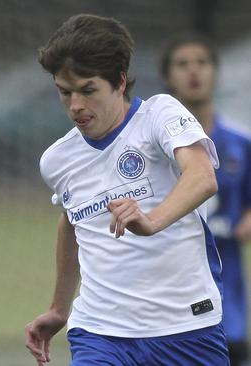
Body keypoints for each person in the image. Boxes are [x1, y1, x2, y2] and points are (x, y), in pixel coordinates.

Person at [24, 14, 230, 365]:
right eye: (64, 92)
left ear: (119, 82)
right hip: (99, 332)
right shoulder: (57, 160)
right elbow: (73, 222)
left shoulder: (158, 115)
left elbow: (201, 175)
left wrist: (150, 220)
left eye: (88, 90)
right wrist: (59, 308)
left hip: (185, 327)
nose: (75, 105)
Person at [161, 33, 251, 366]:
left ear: (215, 72)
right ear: (168, 77)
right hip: (168, 291)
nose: (193, 71)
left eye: (202, 62)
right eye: (182, 64)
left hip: (226, 288)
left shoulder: (241, 142)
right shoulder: (154, 147)